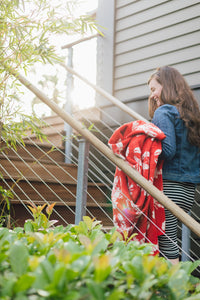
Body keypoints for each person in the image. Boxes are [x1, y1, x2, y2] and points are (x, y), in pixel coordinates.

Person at [148, 66, 200, 265]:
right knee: (170, 240)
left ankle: (173, 290)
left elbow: (167, 150)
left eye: (154, 89)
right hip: (187, 193)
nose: (152, 95)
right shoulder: (190, 116)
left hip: (169, 188)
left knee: (167, 244)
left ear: (167, 86)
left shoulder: (164, 112)